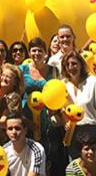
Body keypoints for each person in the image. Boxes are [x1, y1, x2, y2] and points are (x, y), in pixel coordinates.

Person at [19, 38, 65, 176]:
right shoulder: (22, 70)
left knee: (51, 152)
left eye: (40, 50)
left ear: (45, 53)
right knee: (29, 153)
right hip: (27, 116)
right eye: (34, 50)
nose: (37, 53)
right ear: (29, 52)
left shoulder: (54, 70)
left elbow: (59, 90)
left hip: (48, 116)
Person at [61, 50, 96, 159]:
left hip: (92, 131)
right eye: (67, 64)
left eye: (74, 63)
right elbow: (62, 109)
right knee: (75, 168)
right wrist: (65, 122)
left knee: (95, 168)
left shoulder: (94, 82)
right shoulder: (63, 85)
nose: (70, 67)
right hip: (72, 133)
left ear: (81, 65)